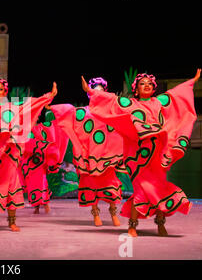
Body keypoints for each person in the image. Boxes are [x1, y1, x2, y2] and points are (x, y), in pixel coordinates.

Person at [82, 69, 200, 236]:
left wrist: (191, 81)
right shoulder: (130, 104)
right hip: (137, 157)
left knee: (158, 188)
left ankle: (160, 223)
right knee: (141, 189)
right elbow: (111, 101)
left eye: (149, 84)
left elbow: (176, 95)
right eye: (142, 84)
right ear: (136, 89)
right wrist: (91, 91)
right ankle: (132, 225)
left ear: (153, 89)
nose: (146, 86)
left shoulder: (159, 102)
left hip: (156, 155)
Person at [0, 77, 57, 231]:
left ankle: (12, 221)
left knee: (11, 186)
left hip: (7, 156)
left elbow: (30, 105)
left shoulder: (11, 108)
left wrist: (48, 96)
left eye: (1, 89)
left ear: (5, 92)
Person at [50, 77, 124, 226]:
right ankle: (95, 214)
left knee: (111, 185)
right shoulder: (83, 112)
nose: (96, 95)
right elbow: (68, 113)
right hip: (89, 155)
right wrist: (52, 107)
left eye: (100, 92)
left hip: (106, 156)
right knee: (91, 185)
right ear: (89, 95)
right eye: (93, 92)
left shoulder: (110, 111)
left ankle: (113, 213)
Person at [20, 111, 69, 214]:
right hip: (29, 162)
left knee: (42, 183)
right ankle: (36, 207)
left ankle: (46, 205)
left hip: (39, 161)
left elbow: (53, 130)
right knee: (31, 185)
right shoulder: (25, 130)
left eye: (36, 116)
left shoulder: (41, 128)